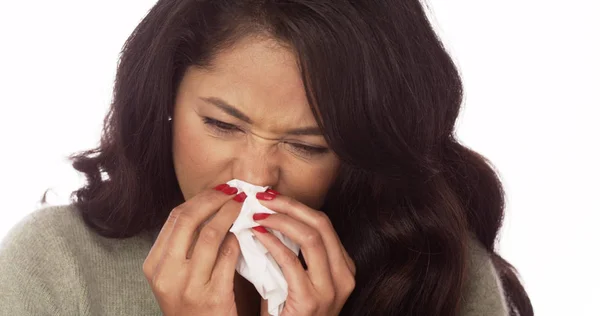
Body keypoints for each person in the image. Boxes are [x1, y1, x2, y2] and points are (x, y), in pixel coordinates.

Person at [0, 0, 533, 315]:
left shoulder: (442, 276)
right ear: (164, 102)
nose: (254, 177)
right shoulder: (56, 265)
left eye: (307, 145)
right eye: (222, 125)